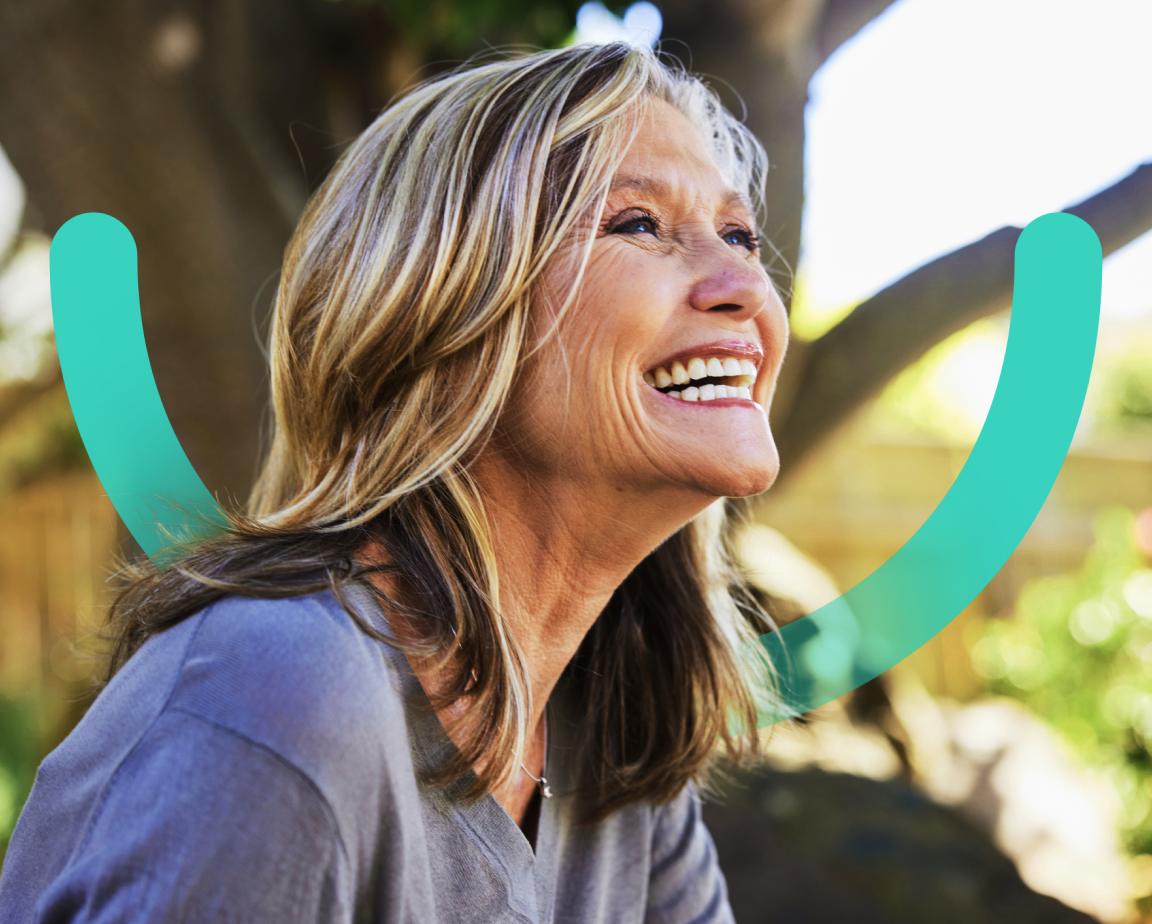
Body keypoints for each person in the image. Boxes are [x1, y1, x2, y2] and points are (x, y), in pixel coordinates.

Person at [0, 40, 789, 923]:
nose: (743, 286)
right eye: (637, 223)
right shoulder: (282, 696)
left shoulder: (614, 752)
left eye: (740, 235)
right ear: (447, 315)